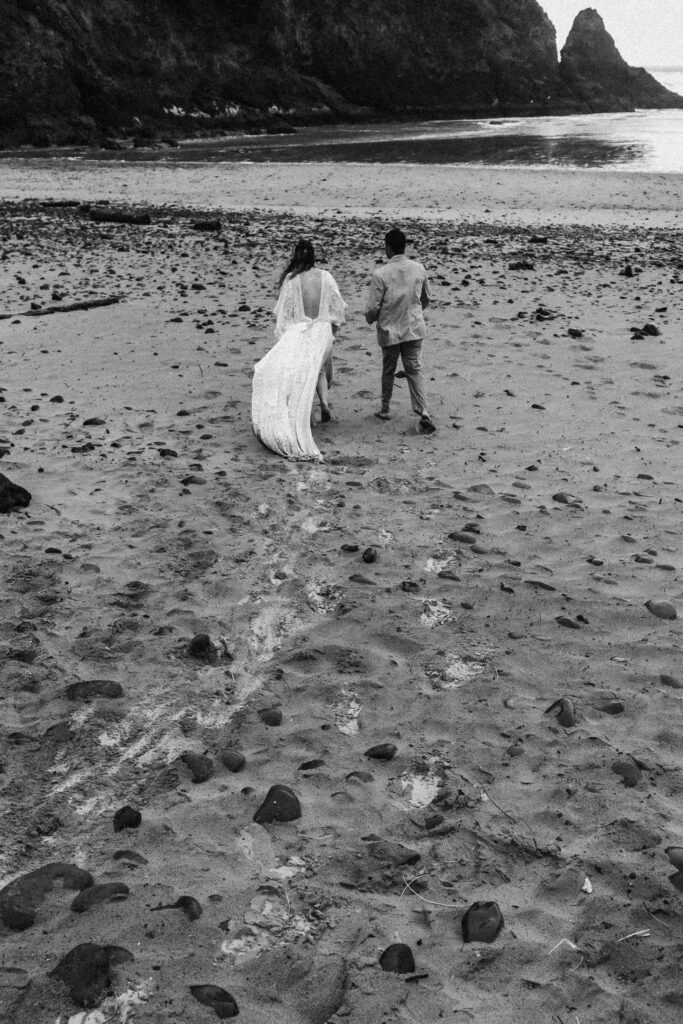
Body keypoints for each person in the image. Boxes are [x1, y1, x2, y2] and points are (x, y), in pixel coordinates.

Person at [252, 239, 347, 461]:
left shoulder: (292, 280)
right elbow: (337, 306)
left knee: (303, 373)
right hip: (323, 330)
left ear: (297, 257)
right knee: (320, 369)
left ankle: (310, 415)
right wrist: (333, 331)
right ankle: (323, 402)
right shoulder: (326, 276)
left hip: (302, 331)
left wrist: (289, 338)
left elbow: (285, 315)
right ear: (314, 256)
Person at [364, 227, 436, 434]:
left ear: (387, 247)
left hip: (390, 330)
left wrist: (370, 318)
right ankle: (423, 411)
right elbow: (426, 298)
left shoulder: (381, 274)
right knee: (414, 369)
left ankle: (385, 409)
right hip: (413, 327)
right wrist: (415, 311)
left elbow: (372, 307)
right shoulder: (418, 268)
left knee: (388, 369)